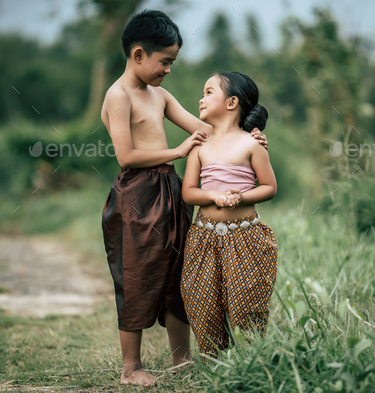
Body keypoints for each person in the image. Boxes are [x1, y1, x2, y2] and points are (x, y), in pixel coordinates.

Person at [100, 11, 268, 386]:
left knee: (181, 271)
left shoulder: (159, 95)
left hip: (172, 191)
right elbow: (125, 156)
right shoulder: (118, 96)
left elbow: (207, 130)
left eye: (172, 62)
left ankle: (182, 359)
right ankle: (131, 367)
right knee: (138, 274)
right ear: (139, 54)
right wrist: (177, 152)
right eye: (165, 62)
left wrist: (247, 136)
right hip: (137, 195)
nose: (169, 70)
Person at [180, 72, 279, 357]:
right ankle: (214, 363)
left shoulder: (252, 144)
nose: (201, 98)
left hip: (246, 237)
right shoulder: (200, 145)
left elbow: (269, 187)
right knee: (202, 300)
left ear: (232, 102)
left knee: (247, 302)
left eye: (209, 92)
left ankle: (249, 362)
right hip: (203, 237)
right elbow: (189, 192)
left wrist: (239, 197)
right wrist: (213, 196)